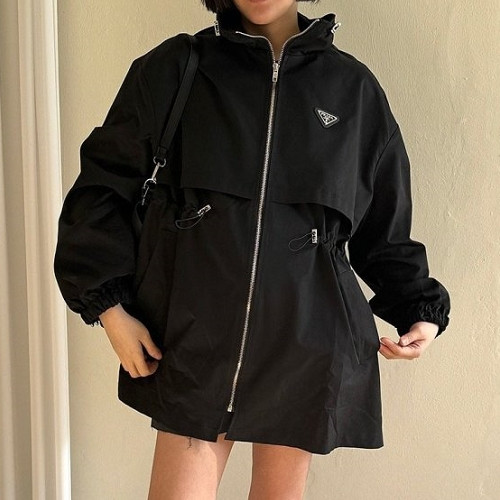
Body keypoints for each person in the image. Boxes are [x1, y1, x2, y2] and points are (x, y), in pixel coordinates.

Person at [53, 0, 452, 498]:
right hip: (194, 337)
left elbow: (383, 226)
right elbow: (102, 189)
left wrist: (421, 311)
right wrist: (109, 308)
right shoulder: (177, 68)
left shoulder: (353, 90)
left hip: (307, 338)